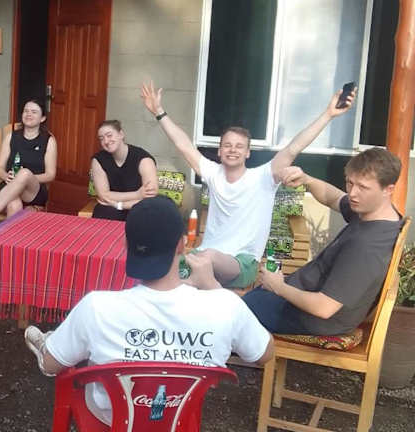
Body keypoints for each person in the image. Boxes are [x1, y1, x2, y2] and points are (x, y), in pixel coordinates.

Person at [24, 196, 274, 426]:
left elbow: (51, 365)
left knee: (63, 352)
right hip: (178, 417)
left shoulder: (97, 308)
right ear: (181, 245)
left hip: (109, 419)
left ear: (126, 244)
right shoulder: (226, 307)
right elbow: (264, 353)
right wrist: (212, 285)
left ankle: (48, 340)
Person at [141, 81, 356, 288]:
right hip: (205, 255)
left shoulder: (264, 177)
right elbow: (183, 145)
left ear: (247, 153)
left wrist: (328, 114)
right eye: (227, 145)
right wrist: (159, 111)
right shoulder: (213, 174)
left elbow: (294, 148)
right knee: (168, 266)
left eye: (239, 146)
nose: (233, 150)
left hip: (242, 264)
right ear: (219, 151)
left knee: (202, 261)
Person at [243, 148, 404, 335]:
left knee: (230, 313)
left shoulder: (368, 245)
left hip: (308, 320)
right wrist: (307, 180)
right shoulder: (373, 212)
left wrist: (278, 287)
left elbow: (324, 308)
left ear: (388, 190)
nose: (352, 193)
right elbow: (334, 198)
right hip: (297, 298)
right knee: (234, 302)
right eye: (350, 183)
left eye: (363, 187)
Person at [0, 98, 58, 232]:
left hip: (33, 191)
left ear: (42, 118)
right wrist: (5, 176)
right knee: (14, 205)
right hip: (9, 185)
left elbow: (50, 175)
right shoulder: (11, 137)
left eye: (34, 112)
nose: (29, 114)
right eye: (26, 111)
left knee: (24, 173)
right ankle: (7, 244)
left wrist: (25, 178)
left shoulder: (48, 141)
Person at [90, 119, 158, 220]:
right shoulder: (98, 160)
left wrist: (119, 205)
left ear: (121, 134)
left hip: (138, 206)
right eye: (101, 138)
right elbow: (103, 195)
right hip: (109, 207)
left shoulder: (144, 159)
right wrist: (137, 194)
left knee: (145, 212)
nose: (106, 141)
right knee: (103, 211)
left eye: (109, 135)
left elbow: (149, 197)